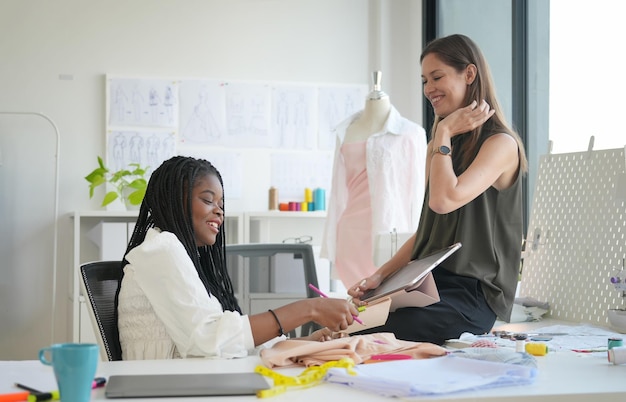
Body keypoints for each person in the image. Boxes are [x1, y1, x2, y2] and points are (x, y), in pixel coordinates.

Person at [348, 34, 529, 345]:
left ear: (469, 74)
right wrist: (380, 277)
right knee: (344, 325)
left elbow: (445, 201)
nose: (428, 88)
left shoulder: (501, 144)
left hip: (472, 298)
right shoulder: (441, 146)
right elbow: (430, 231)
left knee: (367, 335)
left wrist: (442, 130)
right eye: (424, 80)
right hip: (427, 287)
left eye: (437, 77)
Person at [115, 156, 358, 360]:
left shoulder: (178, 254)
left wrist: (302, 344)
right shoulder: (161, 249)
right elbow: (208, 340)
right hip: (163, 389)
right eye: (208, 200)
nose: (219, 211)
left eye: (221, 204)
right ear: (175, 201)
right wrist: (309, 308)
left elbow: (226, 342)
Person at [321, 71, 427, 289]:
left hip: (391, 237)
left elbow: (418, 195)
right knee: (357, 308)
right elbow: (338, 191)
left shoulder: (411, 133)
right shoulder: (345, 131)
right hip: (350, 236)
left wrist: (418, 245)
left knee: (386, 303)